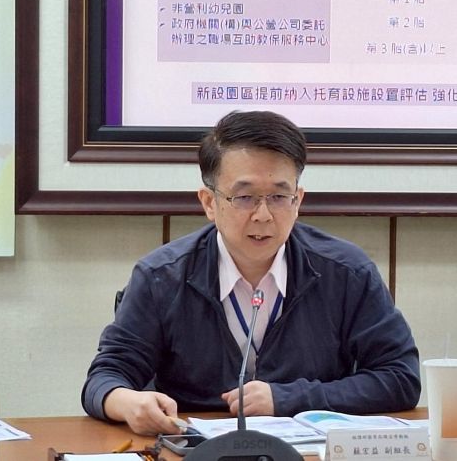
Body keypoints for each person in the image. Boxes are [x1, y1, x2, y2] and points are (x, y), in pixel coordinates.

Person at [81, 110, 421, 436]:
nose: (263, 215)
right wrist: (127, 402)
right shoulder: (161, 277)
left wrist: (289, 398)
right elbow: (105, 378)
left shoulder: (346, 273)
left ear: (298, 200)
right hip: (195, 449)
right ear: (209, 202)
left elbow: (400, 377)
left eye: (279, 197)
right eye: (244, 197)